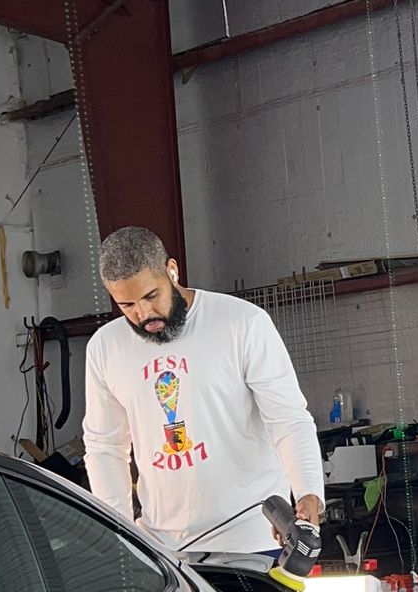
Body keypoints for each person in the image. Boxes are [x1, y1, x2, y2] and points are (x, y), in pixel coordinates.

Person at [82, 226, 323, 560]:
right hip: (163, 551)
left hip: (254, 542)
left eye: (151, 296)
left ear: (172, 270)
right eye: (127, 305)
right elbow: (104, 446)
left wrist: (309, 493)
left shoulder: (242, 323)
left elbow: (288, 418)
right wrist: (120, 533)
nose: (143, 314)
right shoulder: (105, 348)